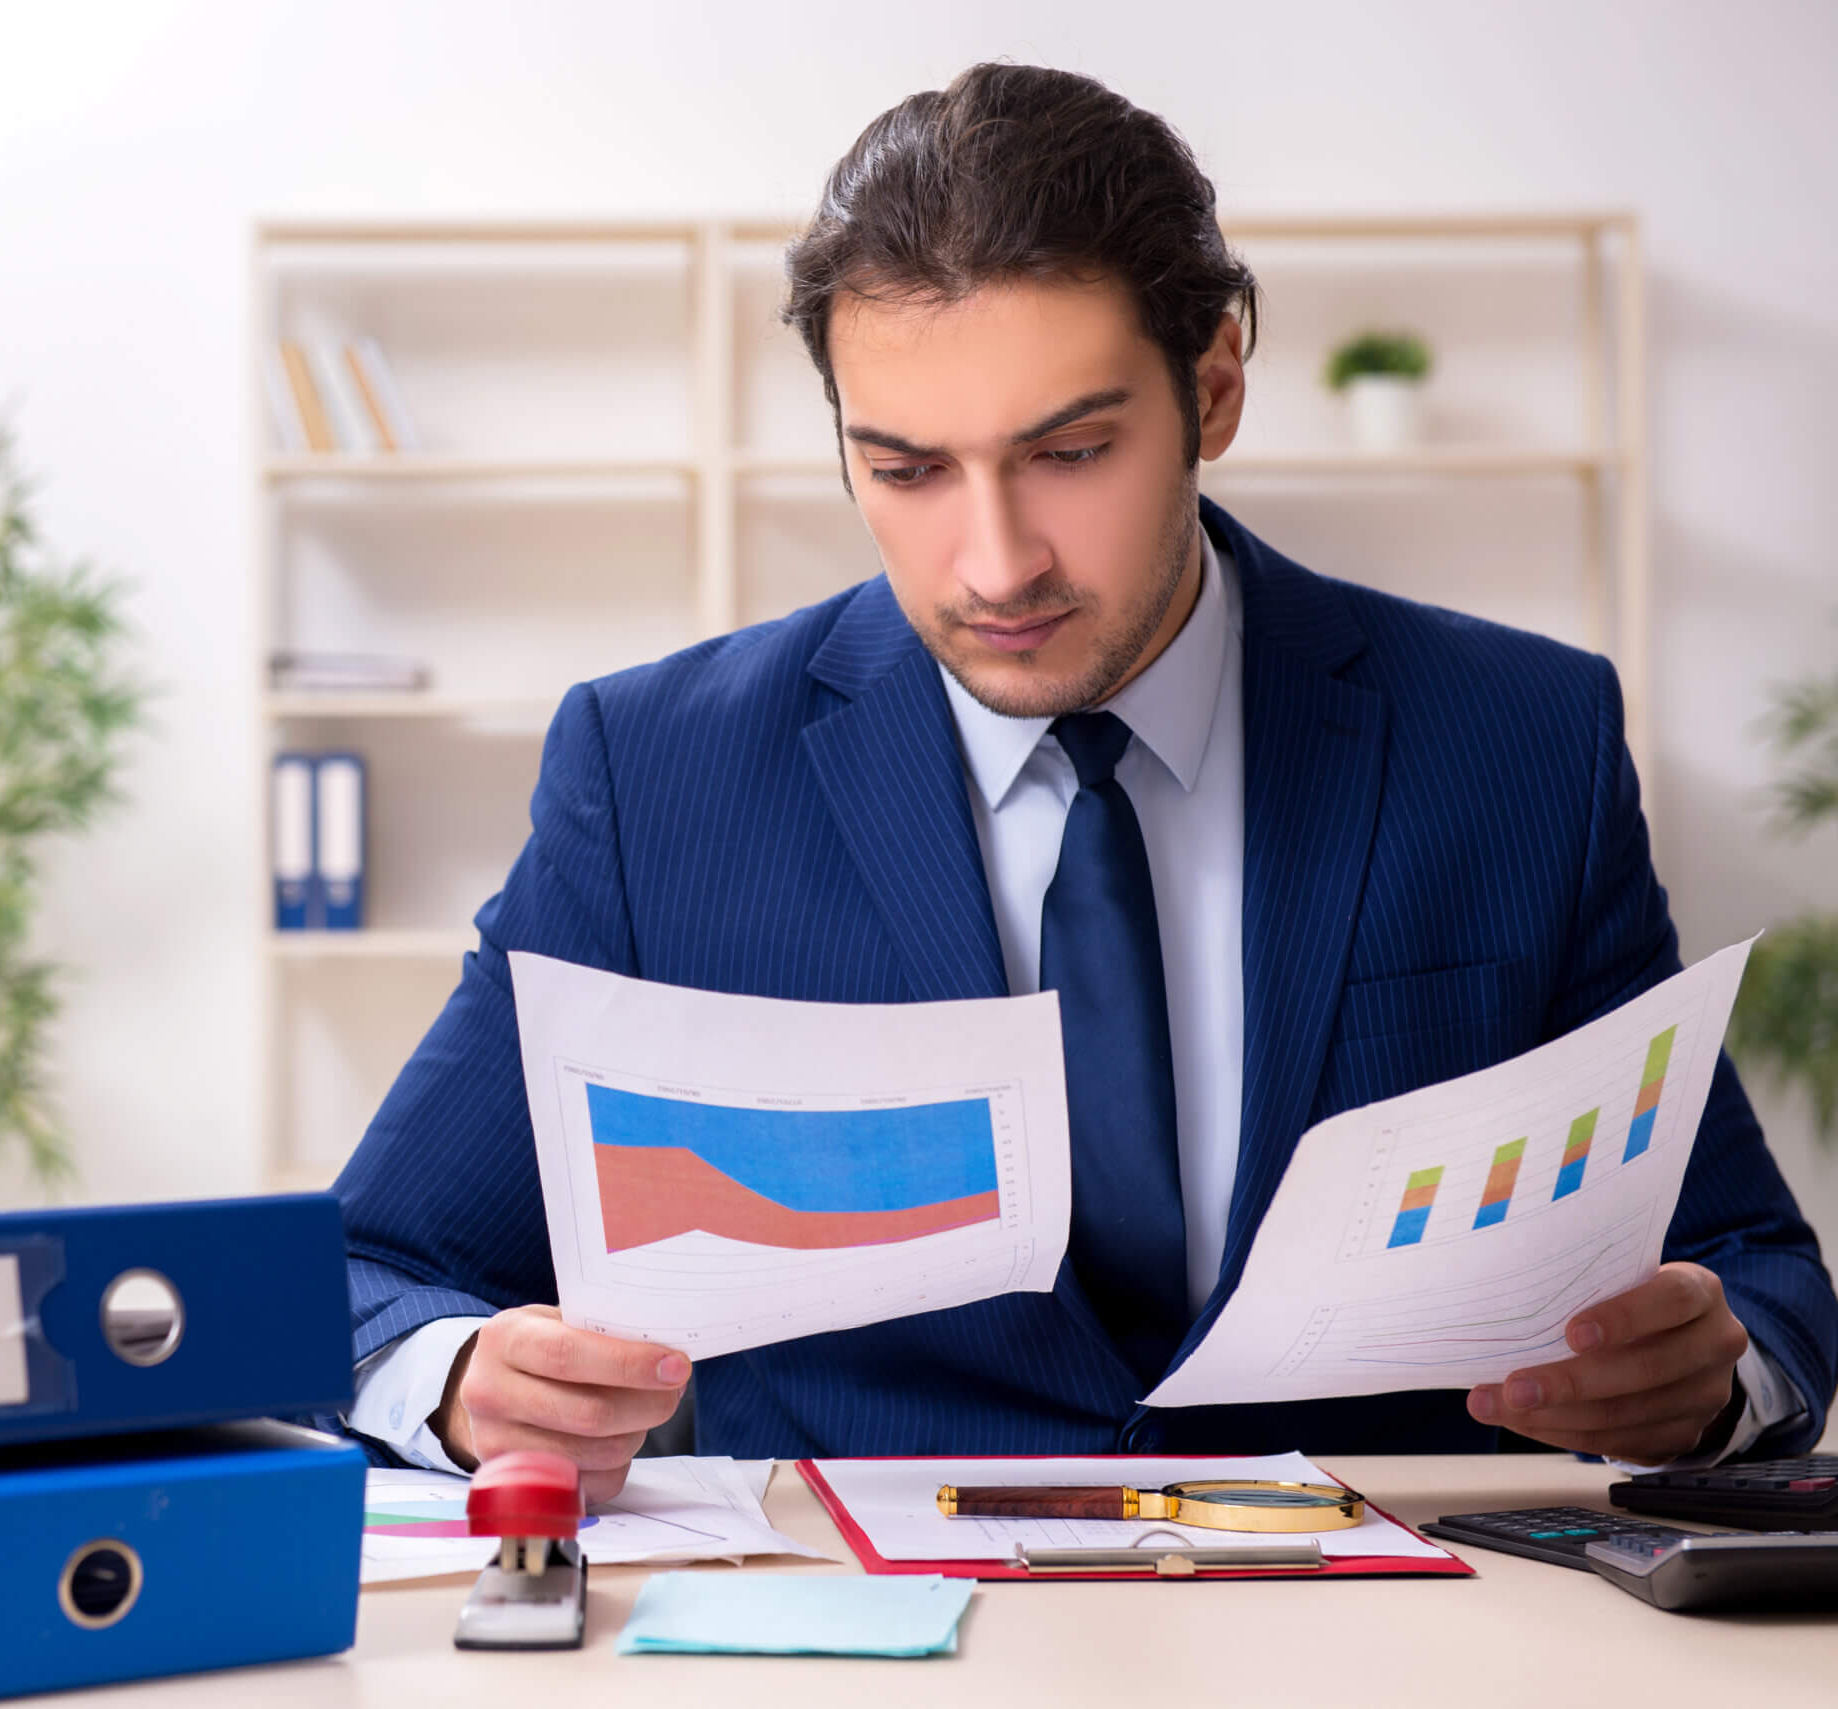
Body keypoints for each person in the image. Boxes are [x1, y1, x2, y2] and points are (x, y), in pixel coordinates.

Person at [327, 62, 1836, 1498]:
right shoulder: (658, 777)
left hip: (1395, 1630)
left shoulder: (1516, 742)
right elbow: (361, 1274)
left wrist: (1711, 1377)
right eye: (906, 470)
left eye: (1071, 451)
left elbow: (1760, 1276)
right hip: (867, 1631)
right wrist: (463, 1378)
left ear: (1216, 390)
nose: (995, 563)